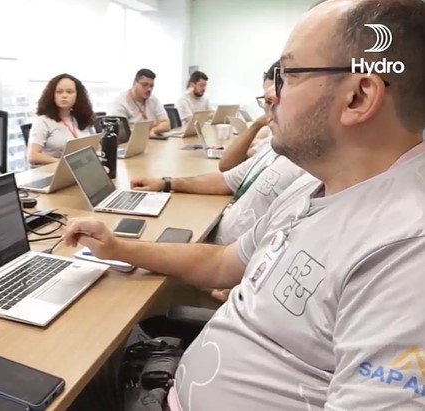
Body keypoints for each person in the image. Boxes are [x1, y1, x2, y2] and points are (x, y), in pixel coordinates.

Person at [65, 0, 425, 409]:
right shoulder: (314, 186)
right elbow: (222, 264)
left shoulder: (407, 252)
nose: (272, 96)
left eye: (287, 74)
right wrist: (119, 249)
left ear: (358, 97)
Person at [132, 62, 304, 247]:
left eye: (273, 100)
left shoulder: (304, 166)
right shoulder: (272, 146)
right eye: (266, 100)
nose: (268, 109)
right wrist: (165, 183)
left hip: (224, 255)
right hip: (216, 241)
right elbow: (226, 177)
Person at [217, 62, 278, 172]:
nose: (266, 107)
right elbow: (228, 165)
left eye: (271, 99)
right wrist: (257, 126)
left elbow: (226, 166)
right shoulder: (273, 134)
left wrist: (256, 125)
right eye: (266, 99)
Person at [27, 73, 95, 166]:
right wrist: (64, 164)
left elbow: (96, 147)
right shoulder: (43, 121)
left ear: (77, 96)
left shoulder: (81, 118)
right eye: (59, 92)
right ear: (52, 95)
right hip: (50, 173)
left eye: (69, 92)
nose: (64, 96)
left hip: (79, 170)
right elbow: (33, 156)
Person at [108, 69, 170, 136]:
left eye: (151, 86)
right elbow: (123, 134)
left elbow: (166, 125)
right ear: (134, 83)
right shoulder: (120, 103)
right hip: (129, 144)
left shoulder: (153, 99)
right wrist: (154, 125)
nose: (149, 89)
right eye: (144, 85)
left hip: (151, 141)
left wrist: (152, 130)